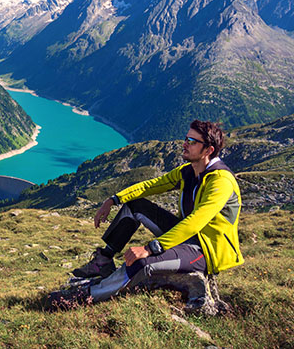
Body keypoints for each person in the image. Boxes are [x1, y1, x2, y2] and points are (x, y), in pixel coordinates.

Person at [47, 120, 243, 309]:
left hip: (205, 251)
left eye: (192, 141)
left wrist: (151, 248)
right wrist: (115, 199)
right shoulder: (188, 172)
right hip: (186, 237)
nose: (185, 144)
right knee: (135, 206)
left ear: (208, 150)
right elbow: (152, 185)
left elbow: (196, 221)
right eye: (186, 138)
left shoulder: (221, 181)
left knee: (141, 262)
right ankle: (103, 261)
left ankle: (87, 295)